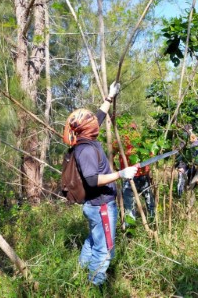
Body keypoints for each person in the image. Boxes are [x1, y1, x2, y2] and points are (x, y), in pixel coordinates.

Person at [62, 82, 138, 286]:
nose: (96, 122)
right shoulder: (85, 150)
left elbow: (99, 116)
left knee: (95, 240)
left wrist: (109, 97)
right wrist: (121, 174)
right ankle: (95, 285)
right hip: (101, 206)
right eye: (91, 121)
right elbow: (92, 180)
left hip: (96, 206)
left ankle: (80, 274)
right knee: (105, 249)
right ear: (87, 129)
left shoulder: (85, 140)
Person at [113, 122, 155, 225]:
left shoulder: (121, 140)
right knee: (147, 203)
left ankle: (131, 230)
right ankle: (152, 223)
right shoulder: (141, 140)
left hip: (139, 177)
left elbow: (110, 155)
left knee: (131, 206)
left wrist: (116, 168)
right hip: (132, 177)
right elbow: (150, 156)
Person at [176, 126, 198, 196]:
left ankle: (184, 196)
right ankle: (183, 196)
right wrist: (181, 167)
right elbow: (182, 157)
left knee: (187, 184)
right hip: (195, 170)